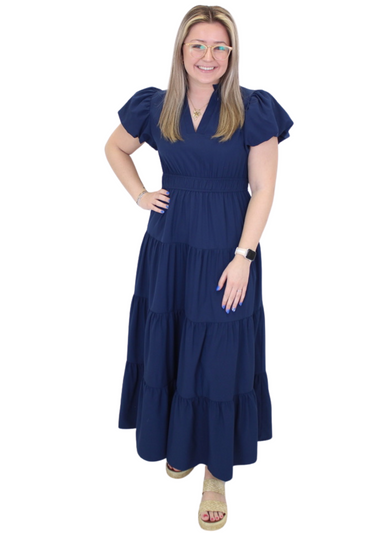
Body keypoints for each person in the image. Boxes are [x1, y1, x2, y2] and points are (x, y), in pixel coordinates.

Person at [105, 5, 293, 530]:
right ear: (181, 50)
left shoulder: (253, 108)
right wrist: (140, 194)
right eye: (198, 45)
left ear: (231, 53)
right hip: (169, 245)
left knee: (219, 358)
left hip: (227, 249)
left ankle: (215, 475)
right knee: (171, 344)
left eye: (219, 47)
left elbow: (264, 189)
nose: (208, 56)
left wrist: (243, 257)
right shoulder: (155, 105)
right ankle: (181, 444)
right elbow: (115, 148)